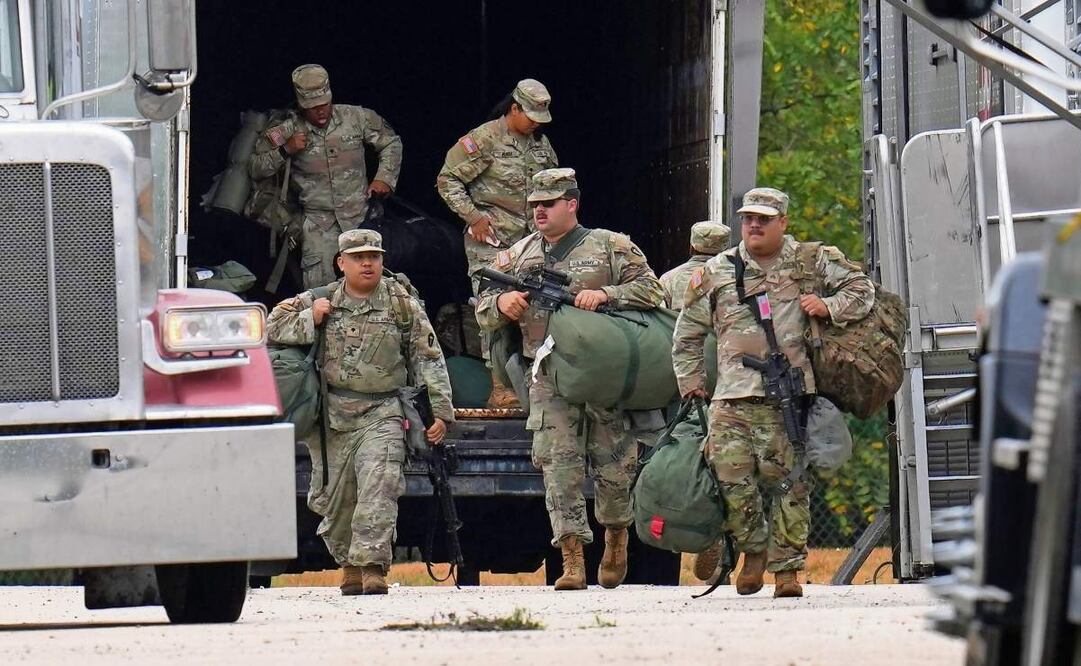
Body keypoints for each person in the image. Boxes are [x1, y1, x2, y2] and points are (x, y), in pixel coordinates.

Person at [672, 187, 874, 598]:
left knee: (792, 483)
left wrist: (828, 305)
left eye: (764, 218)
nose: (754, 225)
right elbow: (687, 334)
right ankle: (754, 547)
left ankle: (787, 572)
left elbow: (862, 291)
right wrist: (691, 384)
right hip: (731, 395)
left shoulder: (811, 261)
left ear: (783, 222)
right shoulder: (718, 269)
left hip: (792, 394)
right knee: (730, 478)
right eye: (748, 218)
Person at [475, 168, 664, 590]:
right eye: (535, 205)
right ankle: (572, 558)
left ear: (571, 204)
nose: (540, 211)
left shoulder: (611, 246)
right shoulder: (518, 255)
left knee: (615, 467)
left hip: (602, 376)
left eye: (549, 203)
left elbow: (653, 291)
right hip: (547, 375)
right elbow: (482, 305)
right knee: (558, 467)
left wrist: (607, 295)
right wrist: (503, 303)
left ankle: (615, 536)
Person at [266, 229, 453, 595]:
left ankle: (373, 565)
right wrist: (310, 319)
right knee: (334, 498)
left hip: (382, 410)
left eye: (374, 256)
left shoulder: (401, 304)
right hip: (332, 415)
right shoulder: (322, 299)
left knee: (380, 485)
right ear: (341, 263)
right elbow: (271, 324)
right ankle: (348, 563)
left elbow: (428, 358)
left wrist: (440, 413)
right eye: (358, 257)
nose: (368, 263)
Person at [437, 78, 559, 408]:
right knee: (492, 309)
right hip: (493, 242)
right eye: (530, 115)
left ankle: (533, 386)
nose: (536, 122)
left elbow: (554, 188)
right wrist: (473, 217)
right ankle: (499, 388)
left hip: (532, 243)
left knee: (535, 311)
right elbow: (447, 180)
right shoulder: (483, 139)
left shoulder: (540, 145)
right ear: (514, 108)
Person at [251, 64, 403, 289]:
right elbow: (256, 168)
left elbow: (391, 142)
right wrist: (285, 151)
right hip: (318, 228)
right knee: (321, 299)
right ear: (302, 106)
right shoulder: (286, 129)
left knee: (372, 292)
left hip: (361, 219)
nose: (320, 112)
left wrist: (384, 178)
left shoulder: (356, 118)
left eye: (324, 105)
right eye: (312, 108)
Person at [659, 221, 731, 310]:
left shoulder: (668, 279)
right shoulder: (736, 279)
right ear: (726, 249)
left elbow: (659, 317)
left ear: (691, 248)